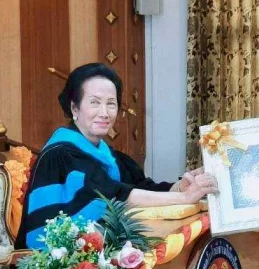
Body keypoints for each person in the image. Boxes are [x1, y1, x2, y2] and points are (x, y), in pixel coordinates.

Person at [15, 63, 217, 250]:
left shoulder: (110, 156)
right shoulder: (60, 155)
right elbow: (113, 196)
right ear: (74, 108)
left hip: (97, 258)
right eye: (94, 102)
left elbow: (142, 187)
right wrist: (184, 198)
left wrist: (180, 187)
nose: (104, 113)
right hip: (50, 264)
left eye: (111, 104)